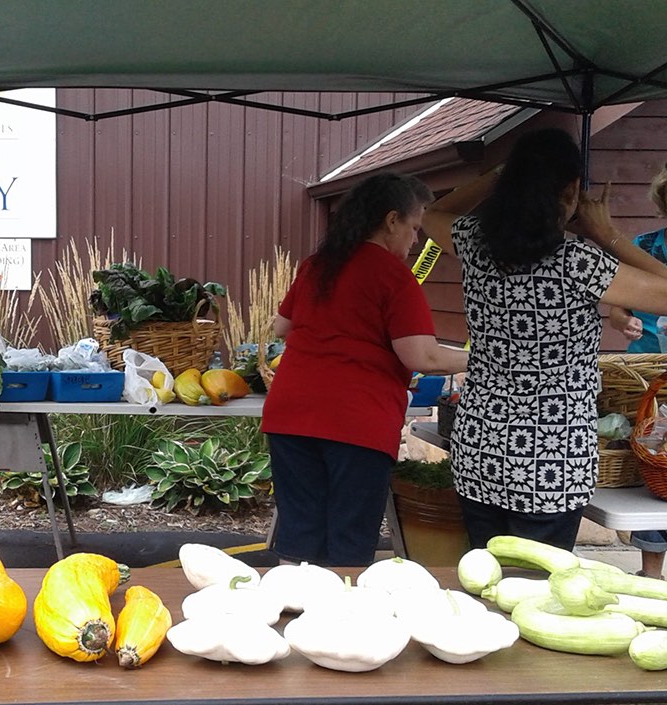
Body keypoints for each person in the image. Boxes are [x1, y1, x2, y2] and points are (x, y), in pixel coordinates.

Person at [422, 127, 667, 552]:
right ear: (572, 190)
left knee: (486, 579)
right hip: (553, 459)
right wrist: (604, 231)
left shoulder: (476, 244)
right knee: (539, 592)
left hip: (482, 446)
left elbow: (431, 214)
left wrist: (501, 173)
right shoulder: (580, 261)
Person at [261, 172, 469, 567]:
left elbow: (281, 326)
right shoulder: (393, 277)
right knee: (348, 542)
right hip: (356, 423)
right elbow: (421, 357)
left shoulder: (319, 264)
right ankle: (339, 623)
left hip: (291, 415)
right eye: (413, 228)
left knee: (297, 536)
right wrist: (485, 358)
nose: (414, 241)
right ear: (391, 221)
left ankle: (291, 619)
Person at [606, 162, 667, 578]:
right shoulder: (644, 246)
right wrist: (622, 321)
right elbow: (616, 305)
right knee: (656, 468)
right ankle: (651, 571)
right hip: (652, 386)